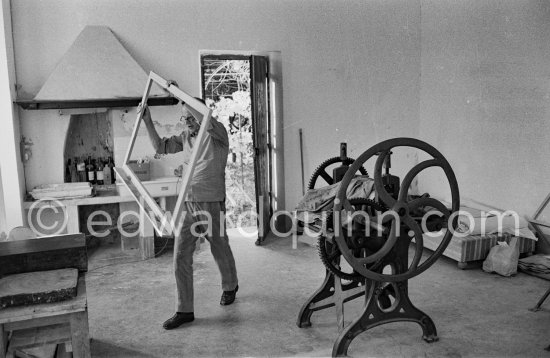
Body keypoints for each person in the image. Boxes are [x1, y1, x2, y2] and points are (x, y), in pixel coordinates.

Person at [140, 97, 239, 330]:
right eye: (184, 118)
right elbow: (159, 147)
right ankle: (184, 310)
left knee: (219, 247)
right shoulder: (185, 137)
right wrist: (147, 121)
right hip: (188, 202)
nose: (187, 122)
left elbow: (204, 117)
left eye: (190, 116)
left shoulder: (217, 133)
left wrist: (181, 94)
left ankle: (230, 285)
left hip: (211, 201)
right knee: (180, 256)